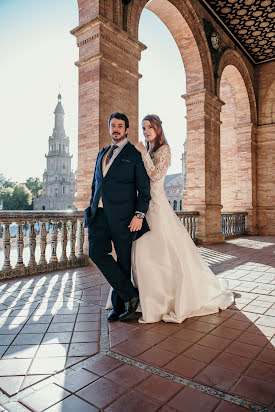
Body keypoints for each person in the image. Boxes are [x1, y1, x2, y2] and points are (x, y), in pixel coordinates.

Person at [132, 114, 234, 323]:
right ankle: (151, 297)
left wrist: (142, 153)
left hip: (159, 207)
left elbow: (156, 176)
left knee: (166, 249)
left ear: (158, 129)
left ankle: (171, 297)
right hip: (145, 206)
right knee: (145, 252)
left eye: (150, 127)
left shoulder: (164, 150)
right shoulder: (150, 151)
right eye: (143, 128)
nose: (146, 132)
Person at [84, 112, 151, 322]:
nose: (116, 129)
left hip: (125, 217)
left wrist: (139, 215)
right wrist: (91, 207)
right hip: (99, 215)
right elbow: (96, 184)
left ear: (127, 129)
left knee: (123, 261)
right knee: (96, 253)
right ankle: (131, 295)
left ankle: (119, 305)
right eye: (113, 125)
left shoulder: (134, 154)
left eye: (120, 126)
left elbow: (144, 189)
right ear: (109, 127)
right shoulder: (101, 153)